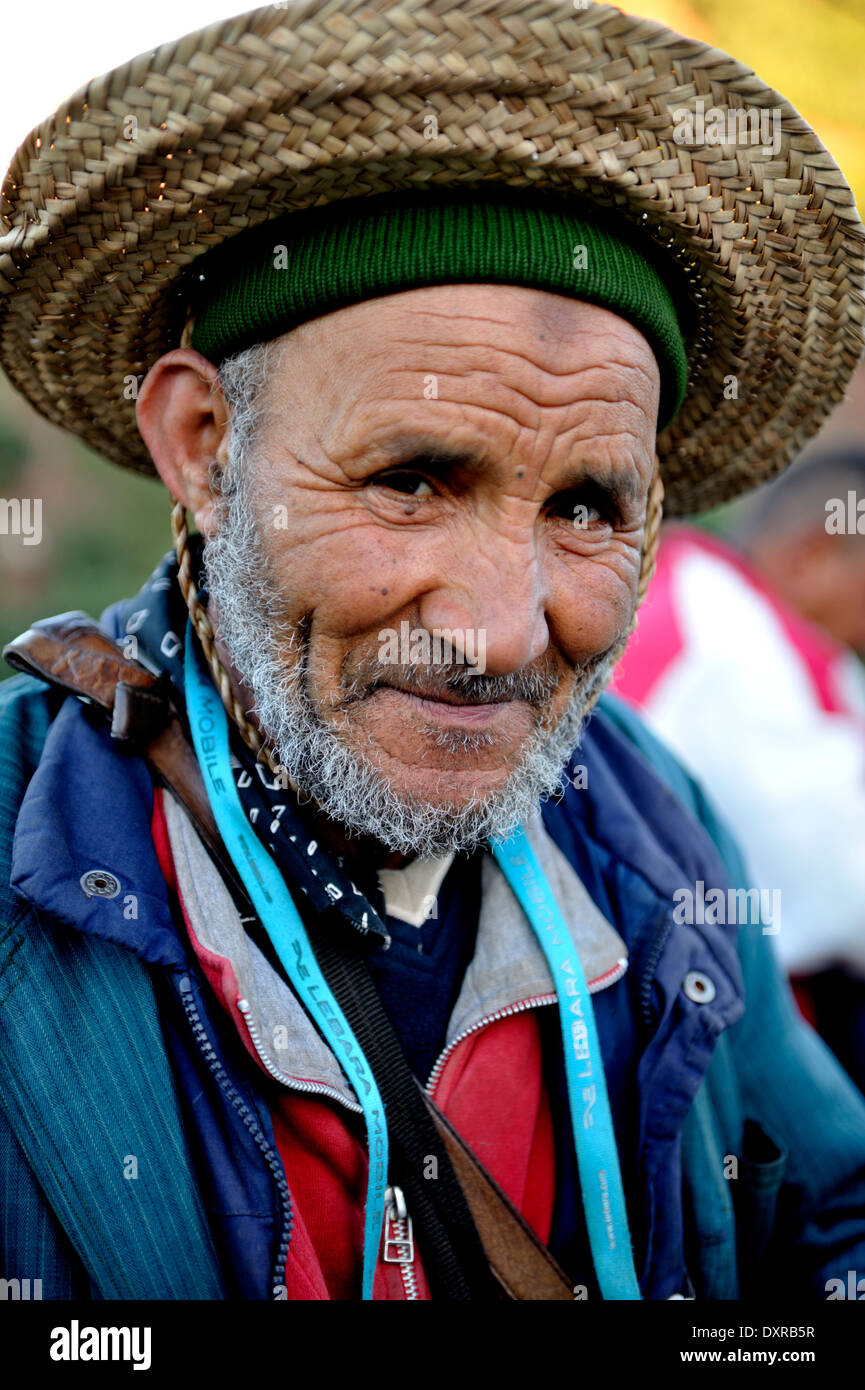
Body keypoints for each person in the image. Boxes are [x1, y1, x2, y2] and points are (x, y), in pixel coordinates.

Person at [1, 0, 865, 1302]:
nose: (506, 630)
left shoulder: (647, 817)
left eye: (584, 507)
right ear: (200, 447)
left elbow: (832, 1203)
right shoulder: (30, 840)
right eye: (410, 479)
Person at [613, 447, 865, 1091]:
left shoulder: (707, 598)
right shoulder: (733, 642)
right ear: (814, 558)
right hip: (706, 1047)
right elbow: (847, 889)